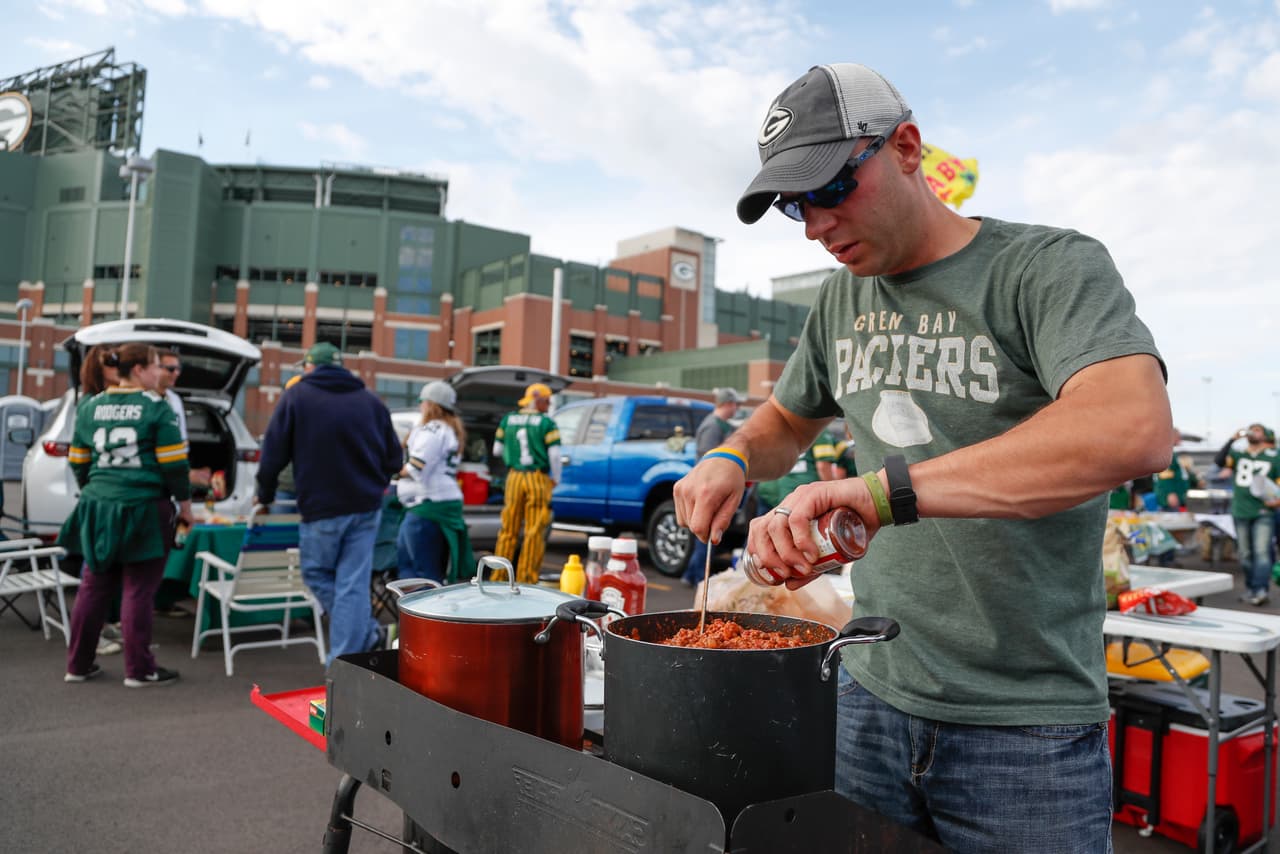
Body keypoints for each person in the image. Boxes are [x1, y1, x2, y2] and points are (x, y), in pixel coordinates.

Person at [673, 62, 1172, 851]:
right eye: (795, 206)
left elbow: (1131, 427)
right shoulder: (841, 299)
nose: (816, 225)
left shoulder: (1043, 268)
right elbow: (783, 419)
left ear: (905, 147)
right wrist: (732, 459)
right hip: (869, 694)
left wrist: (880, 493)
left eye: (832, 188)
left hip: (1022, 728)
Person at [255, 342, 402, 662]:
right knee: (352, 582)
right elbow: (395, 459)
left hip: (322, 507)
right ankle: (366, 634)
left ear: (310, 367)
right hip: (366, 506)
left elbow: (272, 456)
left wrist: (264, 495)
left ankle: (345, 657)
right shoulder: (371, 402)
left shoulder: (297, 397)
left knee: (318, 574)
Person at [60, 343, 194, 686]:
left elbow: (77, 461)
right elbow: (174, 465)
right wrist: (186, 506)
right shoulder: (156, 406)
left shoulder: (90, 405)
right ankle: (139, 669)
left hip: (98, 505)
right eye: (155, 367)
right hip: (144, 507)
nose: (159, 374)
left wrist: (99, 489)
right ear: (138, 370)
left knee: (93, 586)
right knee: (139, 589)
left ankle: (77, 665)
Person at [395, 380, 476, 585]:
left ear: (431, 404)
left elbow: (415, 467)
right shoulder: (450, 429)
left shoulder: (431, 429)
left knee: (417, 573)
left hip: (428, 505)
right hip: (439, 503)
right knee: (428, 571)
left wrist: (392, 472)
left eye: (422, 401)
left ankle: (420, 617)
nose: (420, 406)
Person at [492, 382, 561, 584]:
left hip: (514, 477)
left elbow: (496, 450)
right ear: (538, 400)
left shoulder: (507, 420)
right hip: (537, 477)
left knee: (508, 529)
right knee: (534, 530)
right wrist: (556, 478)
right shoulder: (547, 423)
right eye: (547, 401)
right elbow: (555, 455)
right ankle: (526, 579)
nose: (548, 405)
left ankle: (499, 577)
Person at [680, 388, 741, 587]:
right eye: (736, 404)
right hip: (710, 490)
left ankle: (691, 575)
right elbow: (709, 463)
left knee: (708, 536)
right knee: (706, 536)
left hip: (717, 489)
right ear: (729, 404)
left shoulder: (723, 426)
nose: (737, 408)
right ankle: (699, 579)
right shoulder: (712, 427)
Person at [1214, 423, 1280, 605]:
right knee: (1244, 553)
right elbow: (1219, 461)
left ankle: (1260, 590)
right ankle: (1251, 588)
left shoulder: (1274, 456)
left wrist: (1277, 500)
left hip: (1263, 511)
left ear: (1265, 435)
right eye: (1252, 429)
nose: (1254, 432)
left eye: (1258, 429)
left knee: (1262, 552)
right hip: (1240, 509)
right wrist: (1232, 439)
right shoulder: (1238, 454)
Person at [755, 430, 838, 514]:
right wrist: (833, 494)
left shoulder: (773, 428)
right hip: (799, 496)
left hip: (768, 492)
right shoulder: (819, 431)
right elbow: (823, 466)